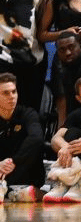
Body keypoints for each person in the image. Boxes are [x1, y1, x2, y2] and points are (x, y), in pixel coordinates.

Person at [0, 73, 44, 201]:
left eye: (14, 92)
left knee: (33, 144)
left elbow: (36, 139)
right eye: (6, 93)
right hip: (2, 171)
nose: (12, 97)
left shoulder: (28, 114)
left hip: (25, 172)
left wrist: (14, 161)